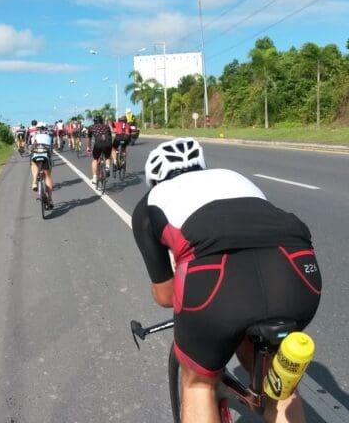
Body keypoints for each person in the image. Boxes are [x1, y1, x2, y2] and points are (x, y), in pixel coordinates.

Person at [131, 138, 322, 423]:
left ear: (154, 179)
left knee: (197, 383)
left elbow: (165, 295)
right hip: (298, 275)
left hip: (215, 285)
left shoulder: (150, 203)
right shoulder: (234, 178)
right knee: (280, 389)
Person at [30, 122, 54, 209]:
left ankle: (34, 182)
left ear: (37, 128)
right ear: (45, 128)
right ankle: (50, 199)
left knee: (33, 164)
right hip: (46, 156)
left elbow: (31, 148)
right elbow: (51, 150)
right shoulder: (49, 135)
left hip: (36, 155)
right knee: (48, 176)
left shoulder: (33, 135)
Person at [87, 115, 113, 184]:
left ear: (94, 121)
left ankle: (94, 178)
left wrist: (88, 147)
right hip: (108, 143)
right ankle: (107, 167)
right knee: (107, 157)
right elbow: (110, 137)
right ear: (102, 121)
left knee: (95, 159)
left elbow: (89, 139)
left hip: (98, 144)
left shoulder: (91, 127)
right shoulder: (106, 126)